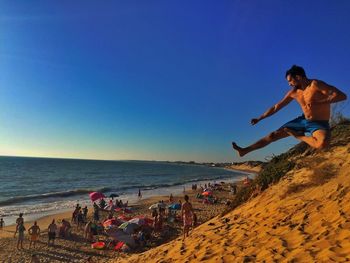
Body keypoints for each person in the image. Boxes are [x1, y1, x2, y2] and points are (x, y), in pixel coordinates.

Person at [232, 65, 347, 157]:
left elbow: (341, 96)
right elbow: (276, 107)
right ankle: (244, 150)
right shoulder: (293, 92)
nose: (289, 84)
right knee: (273, 135)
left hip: (319, 123)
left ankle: (298, 136)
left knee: (322, 144)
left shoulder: (316, 85)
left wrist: (321, 102)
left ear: (298, 77)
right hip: (303, 120)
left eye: (290, 80)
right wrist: (260, 118)